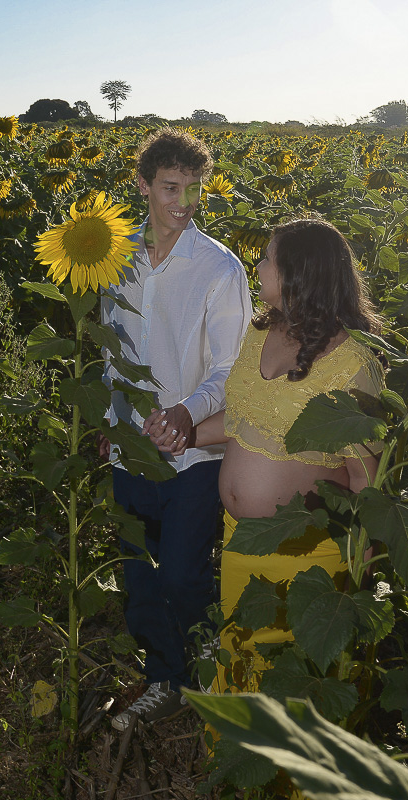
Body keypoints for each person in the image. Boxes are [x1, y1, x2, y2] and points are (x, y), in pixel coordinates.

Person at [186, 217, 385, 692]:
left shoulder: (353, 365)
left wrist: (366, 569)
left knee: (292, 676)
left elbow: (365, 478)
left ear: (299, 274)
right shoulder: (261, 330)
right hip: (242, 541)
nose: (257, 265)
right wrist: (186, 436)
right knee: (240, 653)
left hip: (308, 554)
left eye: (268, 258)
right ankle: (234, 758)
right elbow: (244, 421)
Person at [100, 128, 252, 731]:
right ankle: (167, 673)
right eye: (170, 188)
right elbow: (113, 354)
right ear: (143, 186)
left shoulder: (218, 268)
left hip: (194, 458)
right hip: (130, 450)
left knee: (185, 573)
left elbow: (229, 369)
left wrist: (189, 413)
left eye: (192, 189)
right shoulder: (116, 258)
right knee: (138, 571)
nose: (183, 202)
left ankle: (185, 671)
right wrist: (114, 422)